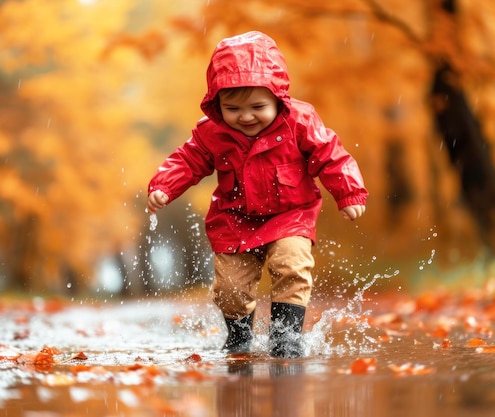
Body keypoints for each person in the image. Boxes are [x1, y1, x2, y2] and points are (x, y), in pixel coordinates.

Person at [147, 31, 368, 358]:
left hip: (291, 214)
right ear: (216, 104)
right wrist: (164, 185)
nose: (246, 116)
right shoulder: (213, 132)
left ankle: (286, 337)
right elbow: (188, 158)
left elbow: (330, 153)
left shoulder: (299, 122)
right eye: (232, 108)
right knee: (229, 289)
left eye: (257, 106)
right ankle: (239, 337)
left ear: (278, 98)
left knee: (291, 263)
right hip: (235, 219)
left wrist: (348, 192)